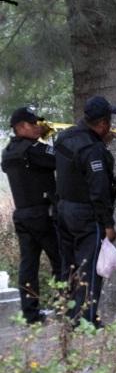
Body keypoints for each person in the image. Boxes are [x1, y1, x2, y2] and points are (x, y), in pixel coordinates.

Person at [54, 96, 116, 327]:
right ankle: (86, 320)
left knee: (69, 265)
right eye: (109, 121)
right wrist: (108, 225)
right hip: (85, 213)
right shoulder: (93, 150)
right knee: (90, 267)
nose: (110, 126)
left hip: (63, 209)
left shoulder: (65, 136)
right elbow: (99, 191)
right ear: (102, 123)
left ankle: (69, 314)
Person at [1, 106, 62, 324]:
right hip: (41, 213)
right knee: (61, 260)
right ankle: (63, 307)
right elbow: (58, 159)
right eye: (33, 124)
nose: (38, 127)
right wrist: (48, 138)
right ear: (20, 127)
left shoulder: (8, 152)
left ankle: (31, 314)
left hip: (22, 215)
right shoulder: (32, 149)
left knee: (28, 265)